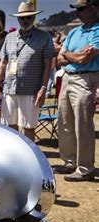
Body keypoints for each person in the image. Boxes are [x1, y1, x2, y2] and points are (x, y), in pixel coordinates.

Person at [0, 1, 55, 141]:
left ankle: (30, 159)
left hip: (31, 89)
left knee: (28, 127)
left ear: (33, 18)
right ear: (18, 19)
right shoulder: (9, 37)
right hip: (9, 88)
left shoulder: (44, 37)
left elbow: (47, 64)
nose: (25, 20)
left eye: (28, 17)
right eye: (22, 18)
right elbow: (3, 62)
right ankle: (14, 157)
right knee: (10, 126)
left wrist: (44, 88)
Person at [55, 0, 99, 182]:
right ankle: (70, 161)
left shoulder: (97, 31)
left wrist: (67, 55)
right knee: (64, 121)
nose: (77, 13)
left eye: (81, 9)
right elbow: (59, 59)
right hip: (67, 77)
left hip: (85, 78)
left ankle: (85, 167)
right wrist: (72, 56)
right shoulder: (74, 32)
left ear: (93, 8)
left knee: (83, 124)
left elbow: (85, 58)